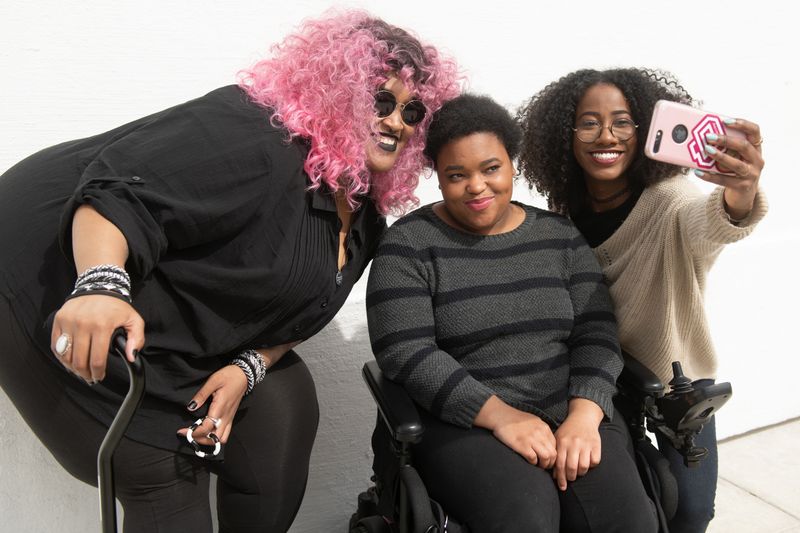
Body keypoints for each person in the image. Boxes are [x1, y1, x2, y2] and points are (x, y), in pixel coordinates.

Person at [0, 9, 460, 533]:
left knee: (284, 408)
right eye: (381, 100)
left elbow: (304, 311)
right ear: (338, 90)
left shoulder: (364, 214)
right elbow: (119, 193)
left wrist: (250, 366)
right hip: (42, 268)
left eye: (413, 111)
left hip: (163, 312)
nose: (397, 121)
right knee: (163, 475)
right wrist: (100, 284)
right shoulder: (253, 134)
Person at [366, 94, 658, 532]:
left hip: (567, 406)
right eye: (457, 175)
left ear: (512, 164)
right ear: (439, 180)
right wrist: (501, 416)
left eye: (490, 169)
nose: (477, 187)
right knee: (525, 517)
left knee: (627, 521)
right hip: (466, 420)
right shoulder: (409, 246)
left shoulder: (559, 237)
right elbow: (405, 353)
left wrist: (585, 413)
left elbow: (596, 332)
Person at [517, 68, 767, 533]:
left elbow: (711, 223)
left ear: (646, 130)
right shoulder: (563, 212)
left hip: (675, 384)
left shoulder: (670, 199)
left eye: (623, 121)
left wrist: (741, 189)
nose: (605, 135)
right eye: (588, 122)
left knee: (691, 511)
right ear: (565, 136)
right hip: (599, 379)